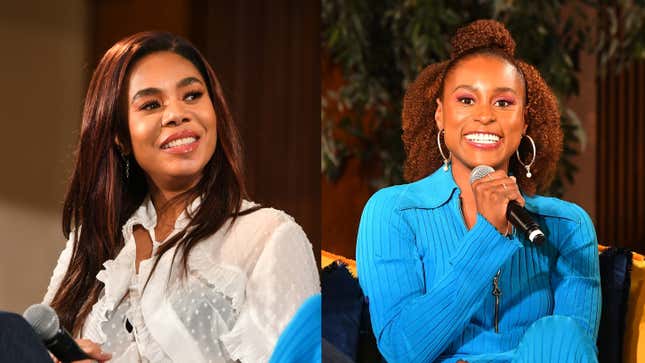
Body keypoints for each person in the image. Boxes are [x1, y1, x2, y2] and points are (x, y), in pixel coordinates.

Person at [43, 31, 320, 363]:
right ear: (120, 136)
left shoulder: (269, 236)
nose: (177, 113)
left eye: (192, 95)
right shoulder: (87, 244)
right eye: (150, 104)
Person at [356, 20, 600, 363]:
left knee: (559, 332)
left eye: (503, 103)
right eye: (467, 99)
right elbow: (402, 349)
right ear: (440, 115)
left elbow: (572, 350)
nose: (485, 116)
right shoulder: (393, 212)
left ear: (525, 121)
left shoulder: (569, 227)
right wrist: (488, 234)